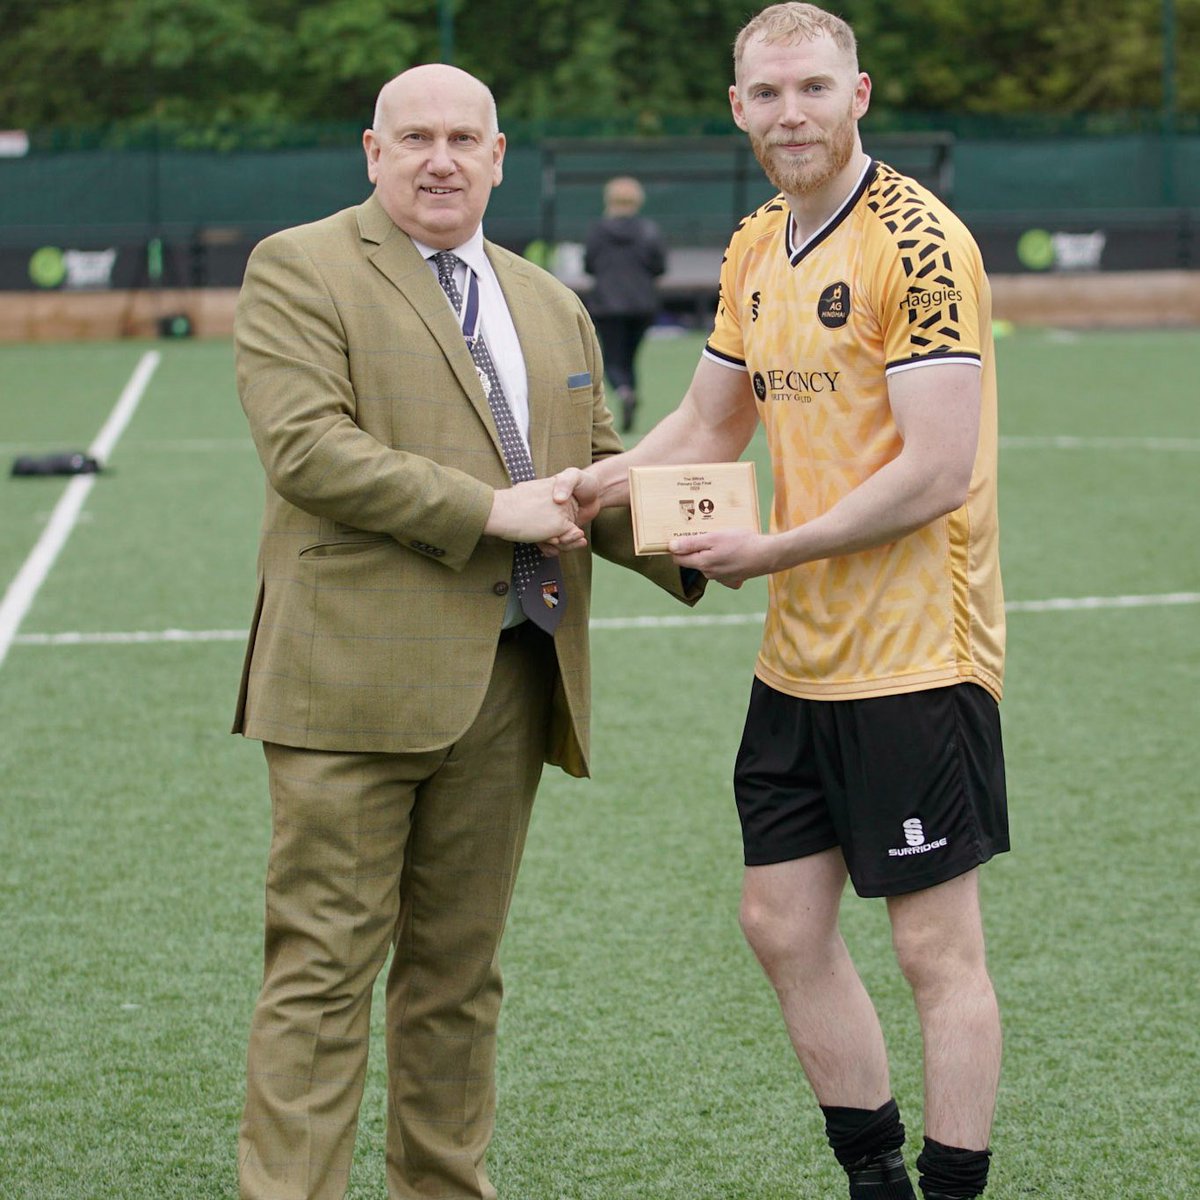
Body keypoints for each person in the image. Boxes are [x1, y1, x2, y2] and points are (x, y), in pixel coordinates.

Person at [231, 64, 698, 1200]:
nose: (440, 158)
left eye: (464, 138)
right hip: (351, 682)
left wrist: (741, 537)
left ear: (498, 156)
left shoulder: (550, 298)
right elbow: (308, 449)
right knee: (325, 973)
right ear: (372, 150)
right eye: (415, 137)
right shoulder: (299, 267)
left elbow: (595, 471)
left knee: (456, 979)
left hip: (510, 676)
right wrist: (490, 510)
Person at [565, 5, 1008, 1198]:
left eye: (813, 88)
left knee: (933, 950)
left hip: (918, 654)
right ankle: (875, 1180)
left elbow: (936, 467)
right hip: (799, 656)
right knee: (782, 926)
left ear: (858, 96)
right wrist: (597, 483)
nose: (790, 113)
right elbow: (711, 419)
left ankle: (953, 1191)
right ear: (738, 110)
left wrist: (777, 548)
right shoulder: (759, 241)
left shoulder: (918, 239)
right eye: (767, 95)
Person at [583, 175, 667, 433]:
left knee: (612, 359)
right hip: (642, 305)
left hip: (608, 305)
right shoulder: (649, 231)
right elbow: (659, 266)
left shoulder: (598, 231)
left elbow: (589, 265)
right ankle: (630, 392)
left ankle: (623, 391)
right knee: (630, 358)